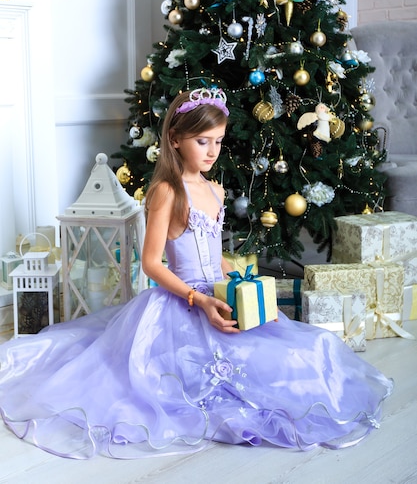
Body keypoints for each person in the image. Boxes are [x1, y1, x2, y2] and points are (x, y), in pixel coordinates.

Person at [0, 87, 393, 459]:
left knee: (304, 349)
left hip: (220, 294)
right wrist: (199, 299)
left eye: (218, 141)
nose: (212, 151)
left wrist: (245, 285)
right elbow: (153, 263)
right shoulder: (167, 192)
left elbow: (214, 254)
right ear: (175, 139)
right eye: (202, 141)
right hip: (182, 301)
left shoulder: (215, 190)